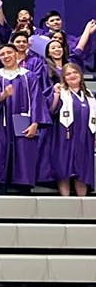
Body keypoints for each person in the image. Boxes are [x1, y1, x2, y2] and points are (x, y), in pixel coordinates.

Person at [0, 44, 45, 194]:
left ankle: (25, 193)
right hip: (0, 124)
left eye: (9, 52)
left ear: (16, 54)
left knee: (24, 159)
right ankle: (0, 192)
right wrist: (3, 95)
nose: (6, 56)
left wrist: (35, 124)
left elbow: (37, 100)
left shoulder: (28, 76)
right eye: (2, 54)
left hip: (24, 125)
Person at [48, 63, 95, 197]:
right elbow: (51, 110)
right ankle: (66, 201)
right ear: (63, 78)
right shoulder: (62, 93)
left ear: (80, 75)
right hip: (64, 137)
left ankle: (82, 203)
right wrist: (56, 94)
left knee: (82, 170)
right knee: (64, 168)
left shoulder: (90, 96)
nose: (72, 76)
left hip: (85, 138)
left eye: (75, 72)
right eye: (68, 74)